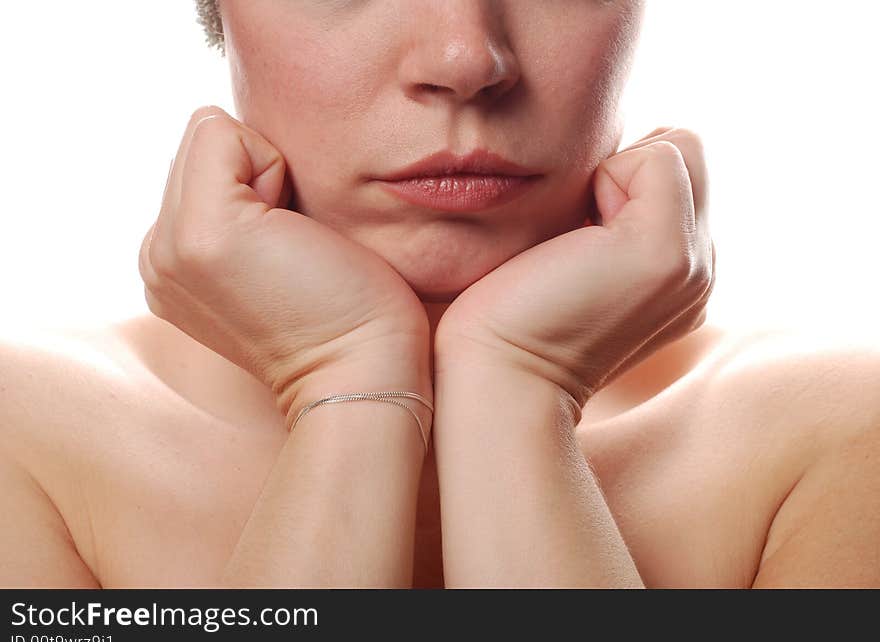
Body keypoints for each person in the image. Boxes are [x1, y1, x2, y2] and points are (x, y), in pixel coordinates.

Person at [1, 0, 878, 589]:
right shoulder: (27, 442)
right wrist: (339, 380)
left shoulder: (836, 438)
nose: (466, 58)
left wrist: (517, 386)